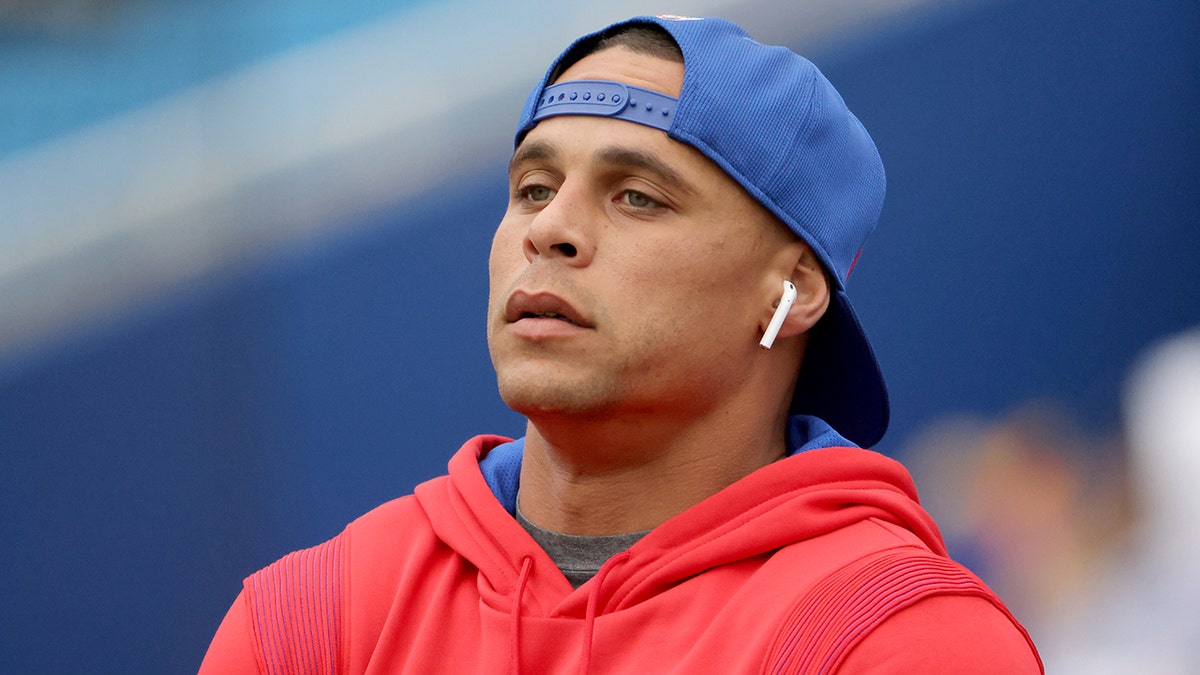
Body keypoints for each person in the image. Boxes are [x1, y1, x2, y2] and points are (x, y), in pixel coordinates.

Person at [200, 15, 1042, 674]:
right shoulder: (314, 619)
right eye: (534, 187)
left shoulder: (899, 642)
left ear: (792, 292)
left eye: (638, 197)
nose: (552, 228)